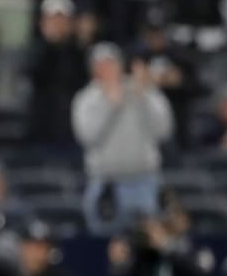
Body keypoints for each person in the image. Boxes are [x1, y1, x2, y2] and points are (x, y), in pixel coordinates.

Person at [71, 42, 173, 235]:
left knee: (150, 242)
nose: (107, 69)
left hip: (145, 181)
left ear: (121, 65)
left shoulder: (143, 90)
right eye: (101, 65)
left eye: (111, 64)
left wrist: (143, 97)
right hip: (106, 183)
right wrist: (110, 105)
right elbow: (87, 136)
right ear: (92, 69)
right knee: (106, 241)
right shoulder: (86, 99)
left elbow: (163, 131)